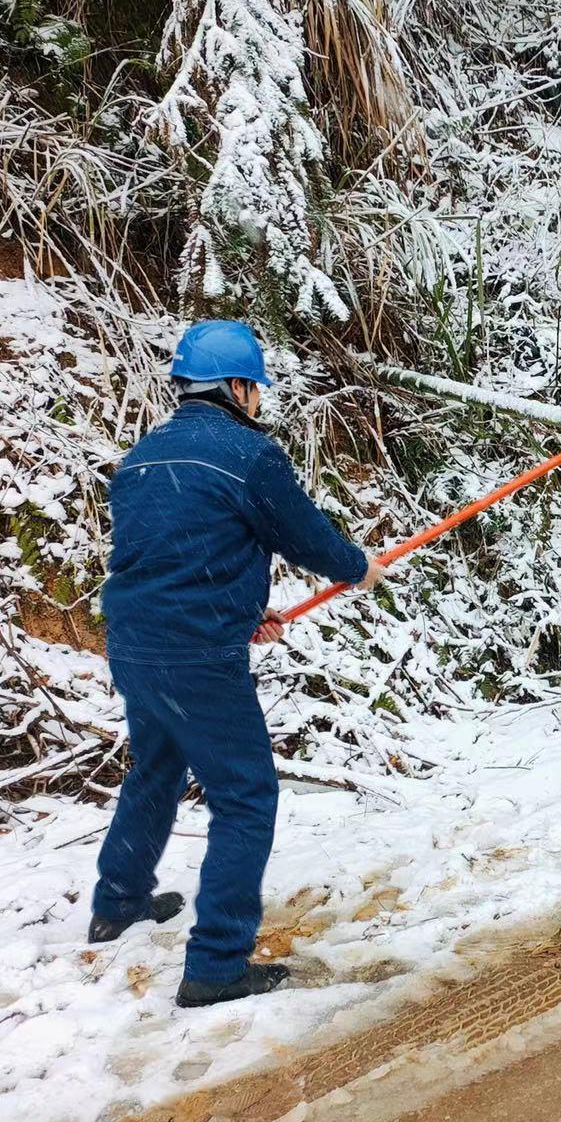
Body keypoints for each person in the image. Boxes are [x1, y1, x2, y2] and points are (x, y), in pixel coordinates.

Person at [89, 320, 388, 1008]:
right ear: (235, 387)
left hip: (136, 641)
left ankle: (118, 901)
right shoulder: (248, 455)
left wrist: (243, 612)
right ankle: (217, 964)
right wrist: (357, 568)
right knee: (246, 796)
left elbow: (170, 555)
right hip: (195, 655)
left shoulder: (142, 458)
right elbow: (303, 535)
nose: (258, 401)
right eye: (254, 387)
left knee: (157, 767)